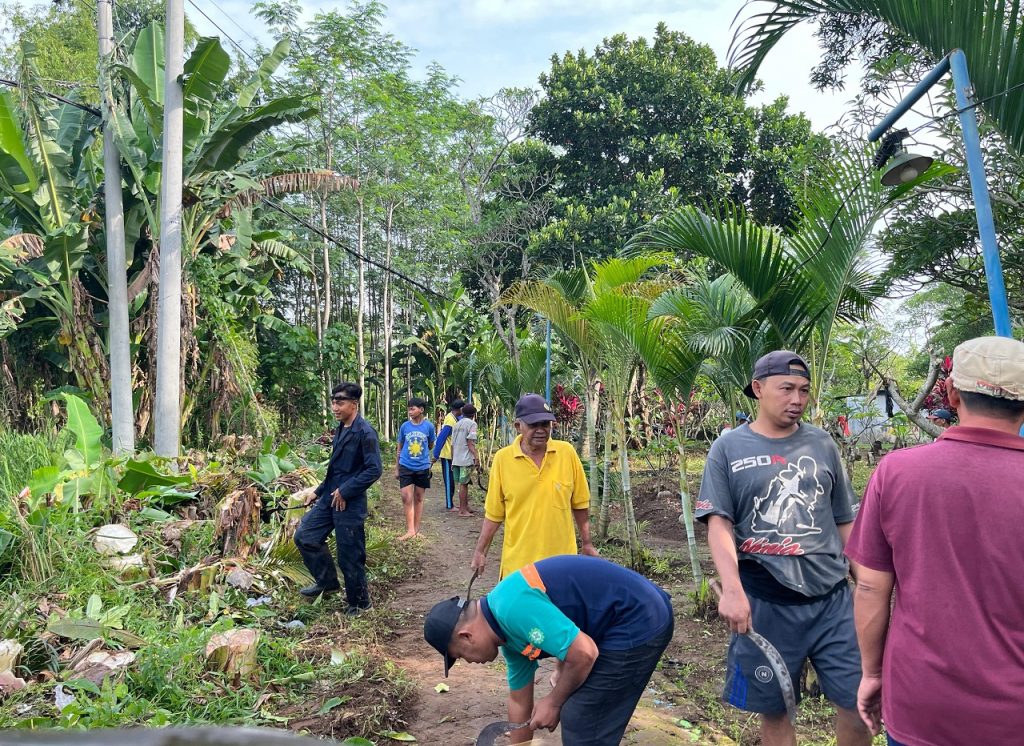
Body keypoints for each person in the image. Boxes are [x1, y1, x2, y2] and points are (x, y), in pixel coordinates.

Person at [844, 336, 1024, 746]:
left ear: (952, 392)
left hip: (923, 703)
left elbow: (871, 586)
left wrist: (872, 674)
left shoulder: (898, 473)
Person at [695, 350, 870, 746]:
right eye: (786, 388)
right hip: (765, 602)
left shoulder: (822, 444)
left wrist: (867, 584)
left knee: (859, 705)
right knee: (775, 712)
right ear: (758, 389)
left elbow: (844, 520)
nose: (797, 400)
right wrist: (733, 589)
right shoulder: (728, 449)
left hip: (832, 600)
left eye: (804, 390)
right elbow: (718, 523)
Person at [424, 555, 674, 745]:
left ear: (465, 635)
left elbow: (584, 652)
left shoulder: (510, 608)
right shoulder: (505, 636)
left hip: (638, 618)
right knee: (579, 704)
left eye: (460, 655)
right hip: (617, 621)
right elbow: (519, 700)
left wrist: (554, 702)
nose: (468, 662)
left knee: (582, 717)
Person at [471, 394, 598, 579]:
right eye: (533, 425)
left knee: (560, 608)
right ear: (518, 426)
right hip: (519, 567)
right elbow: (494, 514)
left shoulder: (566, 453)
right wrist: (480, 551)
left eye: (545, 424)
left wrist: (587, 543)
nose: (540, 430)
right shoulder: (503, 459)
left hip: (562, 564)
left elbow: (579, 504)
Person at [294, 382, 382, 614]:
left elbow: (374, 470)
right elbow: (336, 468)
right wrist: (319, 491)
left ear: (354, 404)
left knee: (350, 555)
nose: (335, 406)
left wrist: (346, 490)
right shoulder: (341, 428)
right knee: (306, 536)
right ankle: (327, 582)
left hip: (349, 503)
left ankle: (360, 603)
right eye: (333, 401)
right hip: (329, 497)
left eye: (340, 402)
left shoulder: (365, 433)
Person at [396, 396, 436, 540]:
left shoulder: (429, 427)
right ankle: (410, 530)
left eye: (412, 409)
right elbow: (399, 447)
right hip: (406, 465)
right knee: (406, 496)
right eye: (409, 409)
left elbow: (431, 444)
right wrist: (397, 467)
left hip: (422, 467)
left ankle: (416, 530)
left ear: (421, 410)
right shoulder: (405, 426)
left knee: (419, 497)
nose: (410, 412)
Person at [432, 398, 465, 511]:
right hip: (447, 455)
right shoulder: (450, 420)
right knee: (449, 480)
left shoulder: (456, 418)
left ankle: (452, 503)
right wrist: (435, 455)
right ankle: (449, 505)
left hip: (453, 455)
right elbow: (442, 437)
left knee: (452, 479)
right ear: (460, 409)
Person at [450, 403, 479, 517]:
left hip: (456, 458)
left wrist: (452, 460)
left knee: (462, 483)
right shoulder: (472, 424)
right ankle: (462, 510)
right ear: (473, 415)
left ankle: (465, 506)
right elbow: (470, 442)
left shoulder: (457, 424)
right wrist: (476, 457)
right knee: (464, 484)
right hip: (465, 459)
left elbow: (452, 444)